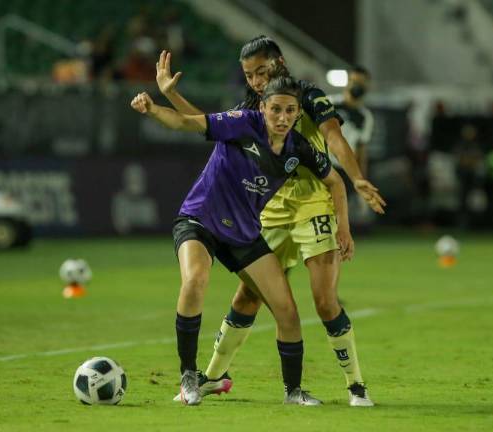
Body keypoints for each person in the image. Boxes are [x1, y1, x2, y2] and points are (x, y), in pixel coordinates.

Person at [155, 36, 385, 406]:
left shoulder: (307, 94)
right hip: (272, 208)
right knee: (248, 295)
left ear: (279, 62)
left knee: (324, 301)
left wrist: (355, 176)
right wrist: (169, 96)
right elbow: (202, 124)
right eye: (250, 75)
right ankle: (211, 376)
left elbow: (334, 137)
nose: (258, 81)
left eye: (263, 71)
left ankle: (355, 386)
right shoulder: (254, 107)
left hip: (313, 205)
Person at [328, 65, 375, 228]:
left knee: (338, 219)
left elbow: (362, 151)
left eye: (361, 83)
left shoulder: (365, 117)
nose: (356, 86)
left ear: (367, 86)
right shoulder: (329, 104)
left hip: (345, 171)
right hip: (323, 166)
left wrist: (360, 179)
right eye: (353, 81)